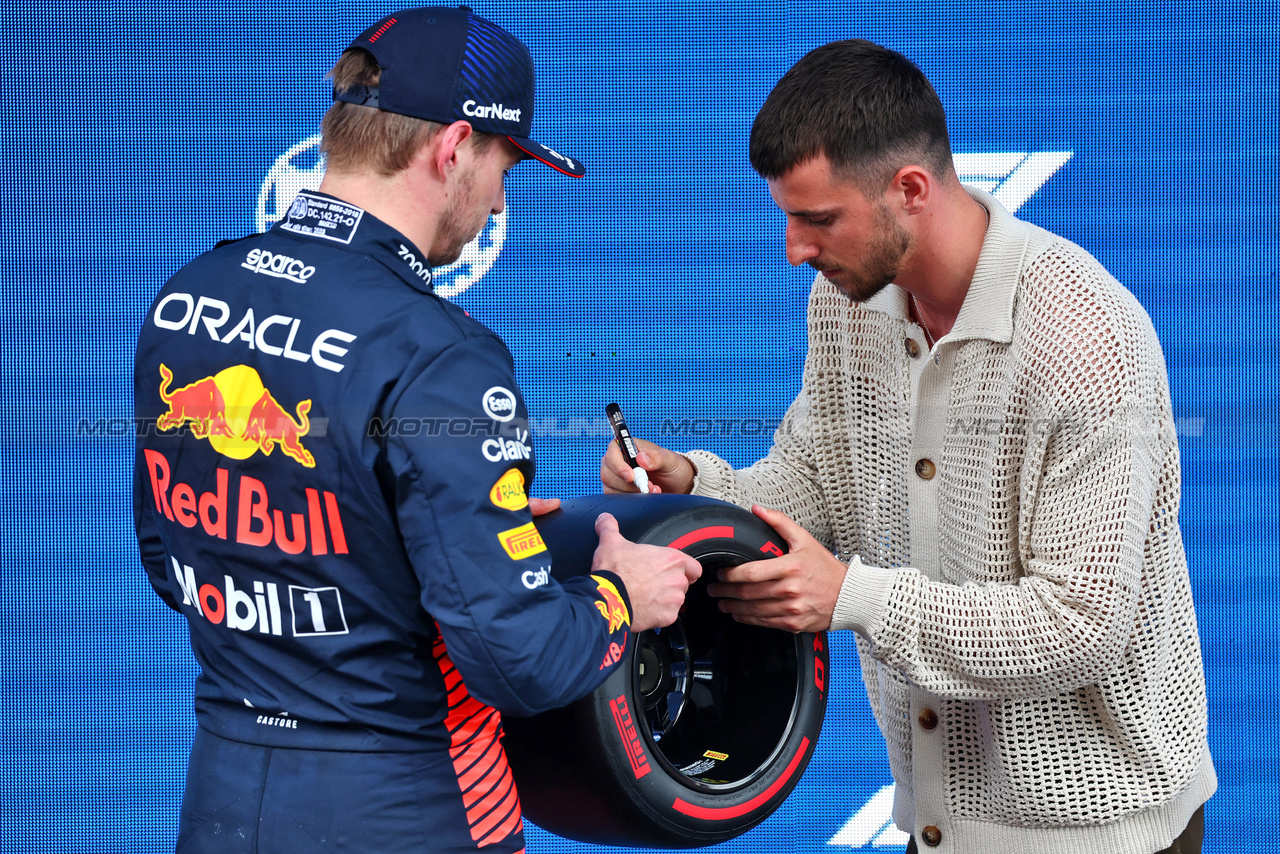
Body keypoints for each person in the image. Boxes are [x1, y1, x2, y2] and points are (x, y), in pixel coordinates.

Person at [603, 39, 1213, 854]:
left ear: (911, 190)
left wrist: (852, 598)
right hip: (934, 820)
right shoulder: (846, 303)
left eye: (819, 219)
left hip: (1101, 833)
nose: (795, 249)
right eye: (789, 216)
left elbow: (1078, 626)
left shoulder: (1085, 340)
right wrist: (694, 483)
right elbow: (819, 479)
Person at [134, 7, 700, 853]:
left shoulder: (191, 296)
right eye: (506, 166)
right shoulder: (440, 354)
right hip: (406, 807)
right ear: (453, 147)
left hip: (222, 796)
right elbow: (520, 660)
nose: (500, 198)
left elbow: (177, 562)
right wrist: (623, 594)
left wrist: (444, 540)